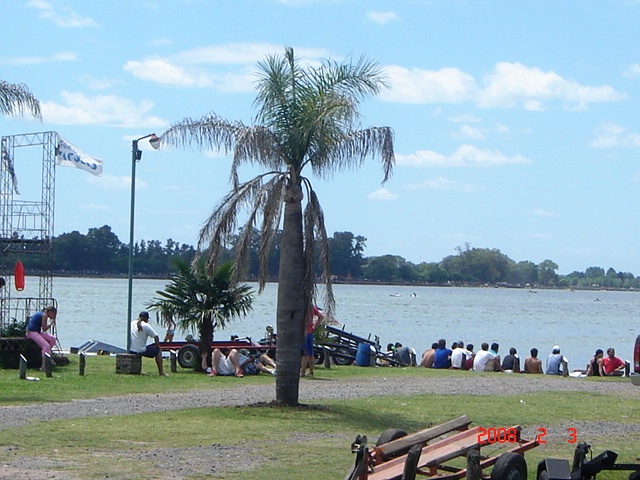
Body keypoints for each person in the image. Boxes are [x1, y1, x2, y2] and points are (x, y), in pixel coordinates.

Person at [130, 311, 167, 376]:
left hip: (131, 349)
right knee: (158, 351)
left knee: (141, 346)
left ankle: (139, 371)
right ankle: (161, 372)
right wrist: (158, 346)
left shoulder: (132, 323)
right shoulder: (146, 325)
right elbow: (156, 337)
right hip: (141, 350)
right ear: (147, 319)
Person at [26, 306, 58, 371]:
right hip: (31, 332)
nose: (54, 316)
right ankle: (43, 366)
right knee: (46, 346)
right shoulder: (44, 315)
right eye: (54, 314)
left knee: (52, 339)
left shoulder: (43, 314)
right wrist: (51, 323)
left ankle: (48, 354)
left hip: (37, 332)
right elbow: (44, 329)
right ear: (50, 312)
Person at [300, 305, 324, 377]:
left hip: (304, 332)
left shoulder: (303, 307)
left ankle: (303, 372)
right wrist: (314, 327)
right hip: (310, 332)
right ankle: (311, 371)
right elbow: (321, 317)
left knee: (305, 353)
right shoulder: (311, 307)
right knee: (310, 353)